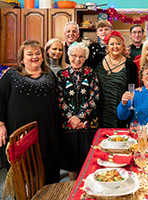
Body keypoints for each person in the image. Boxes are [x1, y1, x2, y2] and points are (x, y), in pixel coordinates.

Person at [0, 40, 60, 184]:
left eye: (38, 53)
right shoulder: (11, 75)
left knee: (48, 174)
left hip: (46, 133)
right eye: (30, 54)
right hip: (20, 134)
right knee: (21, 176)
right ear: (22, 58)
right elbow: (0, 99)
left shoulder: (49, 74)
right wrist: (1, 124)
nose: (35, 56)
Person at [57, 42, 99, 180]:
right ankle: (73, 188)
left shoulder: (91, 73)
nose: (77, 59)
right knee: (71, 162)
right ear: (68, 56)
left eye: (81, 56)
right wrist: (72, 119)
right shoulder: (61, 75)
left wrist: (80, 118)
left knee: (88, 161)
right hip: (68, 126)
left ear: (85, 58)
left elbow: (95, 97)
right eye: (74, 55)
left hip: (87, 125)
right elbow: (59, 98)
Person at [95, 31, 138, 128]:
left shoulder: (130, 65)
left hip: (120, 110)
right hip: (100, 110)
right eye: (112, 44)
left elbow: (133, 89)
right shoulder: (97, 60)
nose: (115, 46)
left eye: (119, 44)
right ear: (107, 47)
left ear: (123, 47)